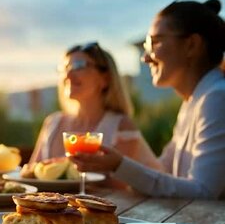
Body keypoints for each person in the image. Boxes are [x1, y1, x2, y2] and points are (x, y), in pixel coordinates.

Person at [70, 0, 225, 200]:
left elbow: (203, 191)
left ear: (192, 45)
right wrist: (114, 165)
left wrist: (119, 165)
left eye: (155, 42)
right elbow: (165, 172)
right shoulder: (194, 102)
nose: (145, 57)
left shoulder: (216, 98)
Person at [22, 42, 160, 176]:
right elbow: (31, 173)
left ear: (105, 79)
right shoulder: (52, 123)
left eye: (78, 66)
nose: (68, 75)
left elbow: (119, 187)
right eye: (65, 68)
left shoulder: (121, 127)